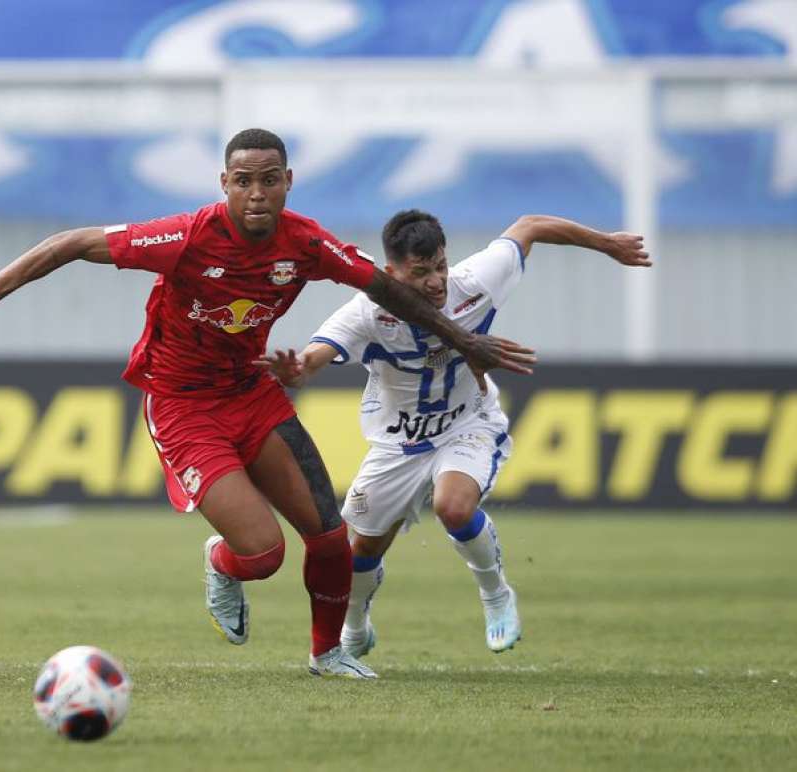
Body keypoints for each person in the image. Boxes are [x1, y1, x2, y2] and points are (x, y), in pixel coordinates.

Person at [0, 129, 536, 679]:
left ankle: (328, 656)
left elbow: (386, 288)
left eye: (269, 180)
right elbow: (72, 242)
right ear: (225, 183)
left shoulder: (308, 245)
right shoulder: (185, 237)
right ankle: (221, 562)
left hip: (252, 395)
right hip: (184, 407)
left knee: (328, 536)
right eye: (244, 181)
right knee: (263, 555)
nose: (257, 193)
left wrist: (464, 341)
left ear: (288, 182)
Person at [255, 209, 650, 659]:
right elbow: (314, 357)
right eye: (420, 272)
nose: (436, 281)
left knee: (453, 506)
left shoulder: (474, 283)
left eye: (439, 266)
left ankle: (496, 595)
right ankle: (357, 624)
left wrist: (607, 244)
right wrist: (298, 368)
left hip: (467, 423)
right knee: (360, 549)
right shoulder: (367, 314)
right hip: (398, 442)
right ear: (391, 273)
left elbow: (529, 225)